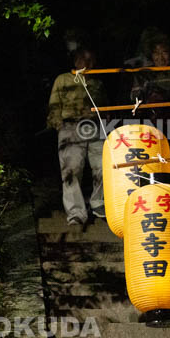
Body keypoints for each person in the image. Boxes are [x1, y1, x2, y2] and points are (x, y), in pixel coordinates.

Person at [47, 48, 105, 225]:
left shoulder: (97, 82)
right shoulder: (63, 79)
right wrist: (59, 126)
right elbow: (54, 105)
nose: (86, 64)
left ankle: (98, 204)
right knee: (72, 169)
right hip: (70, 125)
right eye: (81, 59)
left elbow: (104, 106)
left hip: (94, 126)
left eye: (90, 60)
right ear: (75, 61)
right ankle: (76, 212)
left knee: (103, 166)